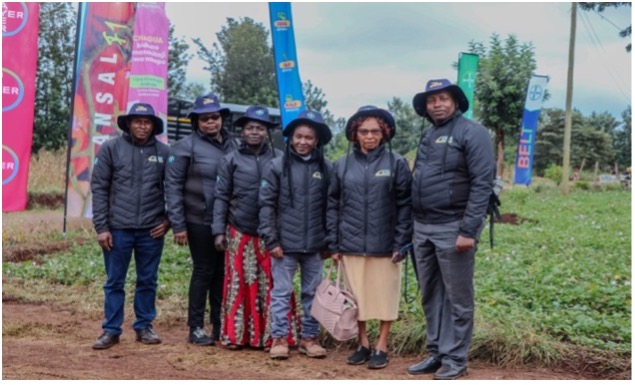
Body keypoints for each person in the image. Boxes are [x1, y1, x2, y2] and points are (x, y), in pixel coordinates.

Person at [407, 79, 494, 380]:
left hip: (454, 226)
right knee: (431, 294)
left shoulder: (473, 132)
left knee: (458, 298)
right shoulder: (428, 135)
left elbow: (483, 183)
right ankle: (436, 353)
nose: (437, 105)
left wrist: (468, 230)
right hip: (423, 227)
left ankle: (456, 359)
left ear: (455, 102)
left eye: (443, 98)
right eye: (432, 101)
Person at [325, 106, 412, 369]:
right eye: (364, 131)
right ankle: (362, 343)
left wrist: (401, 241)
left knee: (385, 296)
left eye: (375, 131)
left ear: (384, 133)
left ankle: (382, 345)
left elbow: (405, 205)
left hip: (385, 246)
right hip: (350, 244)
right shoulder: (341, 164)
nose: (370, 136)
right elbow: (332, 204)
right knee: (357, 298)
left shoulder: (396, 162)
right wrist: (333, 243)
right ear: (355, 133)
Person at [212, 106, 299, 350]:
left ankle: (275, 335)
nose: (254, 132)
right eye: (250, 127)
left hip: (272, 234)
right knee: (241, 283)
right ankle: (238, 335)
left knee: (274, 284)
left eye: (260, 128)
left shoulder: (281, 159)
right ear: (242, 131)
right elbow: (221, 196)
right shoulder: (230, 160)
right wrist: (218, 231)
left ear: (267, 132)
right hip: (239, 230)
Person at [91, 102, 170, 349]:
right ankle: (111, 330)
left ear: (153, 126)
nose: (142, 126)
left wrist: (168, 221)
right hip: (117, 229)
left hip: (151, 230)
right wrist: (102, 227)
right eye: (137, 121)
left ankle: (144, 326)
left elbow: (175, 190)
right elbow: (99, 188)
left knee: (148, 280)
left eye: (147, 122)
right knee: (115, 281)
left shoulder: (165, 152)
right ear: (128, 123)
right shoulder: (111, 149)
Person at [258, 110, 333, 360]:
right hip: (284, 245)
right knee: (281, 292)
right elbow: (266, 204)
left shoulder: (326, 168)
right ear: (290, 138)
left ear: (317, 141)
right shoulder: (276, 166)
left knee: (313, 293)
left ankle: (309, 338)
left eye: (309, 138)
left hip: (316, 245)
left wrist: (330, 241)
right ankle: (279, 337)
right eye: (298, 136)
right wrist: (272, 240)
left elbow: (333, 206)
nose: (303, 142)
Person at [165, 93, 238, 346]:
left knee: (221, 274)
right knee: (203, 271)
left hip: (228, 221)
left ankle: (219, 326)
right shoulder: (185, 147)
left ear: (221, 119)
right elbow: (172, 187)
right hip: (198, 221)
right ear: (196, 121)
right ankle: (195, 327)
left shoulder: (233, 145)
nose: (210, 122)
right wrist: (178, 225)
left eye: (214, 117)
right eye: (204, 118)